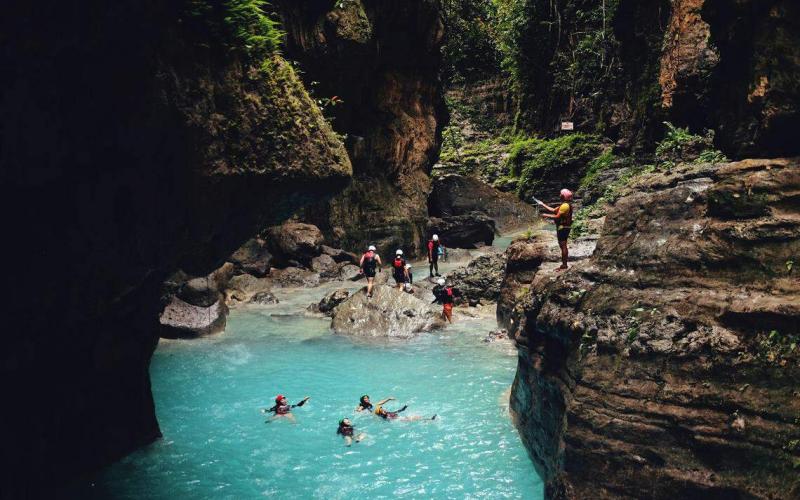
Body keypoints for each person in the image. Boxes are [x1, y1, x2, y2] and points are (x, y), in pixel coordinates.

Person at [539, 189, 573, 271]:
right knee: (562, 245)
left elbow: (557, 216)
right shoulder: (565, 205)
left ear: (563, 196)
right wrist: (542, 204)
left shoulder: (565, 206)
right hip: (564, 227)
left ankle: (564, 265)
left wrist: (545, 215)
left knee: (563, 245)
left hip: (563, 227)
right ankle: (564, 264)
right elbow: (553, 210)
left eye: (560, 194)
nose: (559, 195)